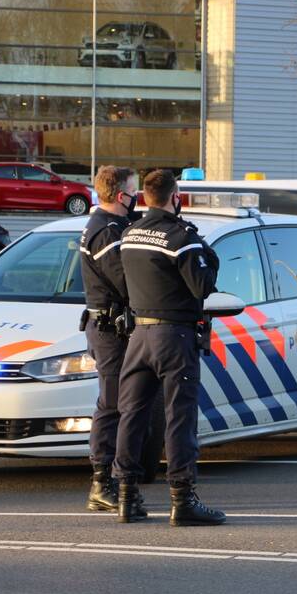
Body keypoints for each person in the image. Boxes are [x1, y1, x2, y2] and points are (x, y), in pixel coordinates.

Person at [115, 168, 224, 525]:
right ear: (175, 198)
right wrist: (204, 248)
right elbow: (202, 286)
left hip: (138, 336)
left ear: (145, 197)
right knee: (179, 417)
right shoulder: (182, 237)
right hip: (174, 337)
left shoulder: (129, 234)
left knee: (132, 416)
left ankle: (127, 497)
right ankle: (182, 499)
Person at [79, 166, 141, 512]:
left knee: (122, 403)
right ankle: (101, 483)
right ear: (121, 195)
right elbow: (127, 283)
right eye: (134, 191)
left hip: (114, 328)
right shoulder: (104, 232)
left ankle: (117, 477)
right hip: (109, 330)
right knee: (113, 403)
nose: (137, 198)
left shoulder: (113, 226)